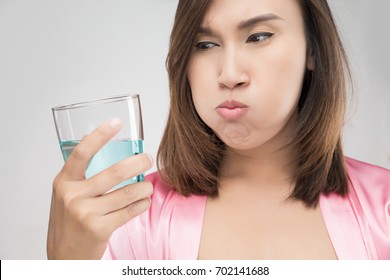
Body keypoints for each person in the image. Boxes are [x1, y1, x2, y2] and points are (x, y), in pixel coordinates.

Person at [47, 0, 390, 260]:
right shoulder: (128, 220)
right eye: (205, 44)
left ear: (311, 50)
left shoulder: (383, 210)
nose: (228, 74)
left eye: (258, 36)